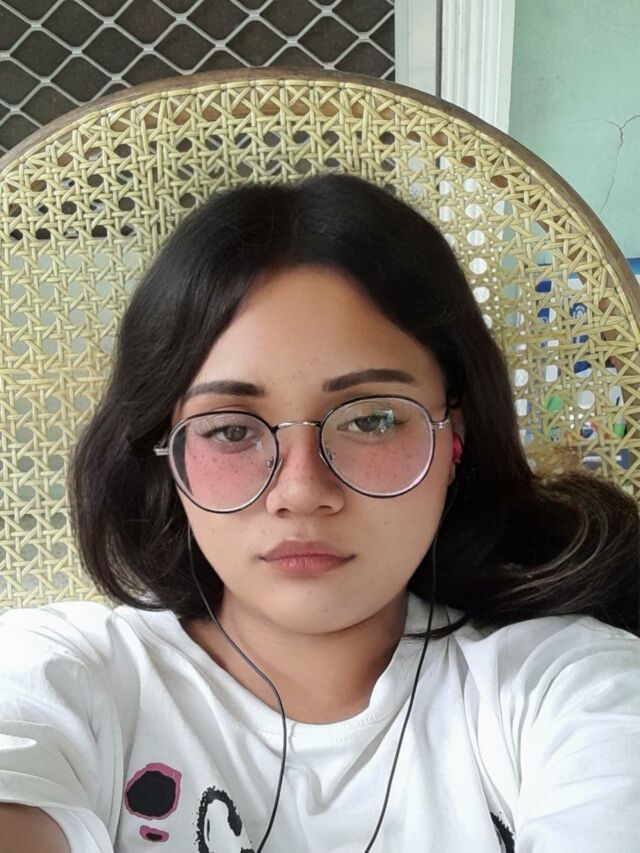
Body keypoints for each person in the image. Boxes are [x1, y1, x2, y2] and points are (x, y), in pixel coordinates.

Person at [0, 173, 638, 853]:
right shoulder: (60, 675)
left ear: (456, 436)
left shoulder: (570, 688)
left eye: (372, 419)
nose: (301, 490)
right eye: (230, 430)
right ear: (168, 456)